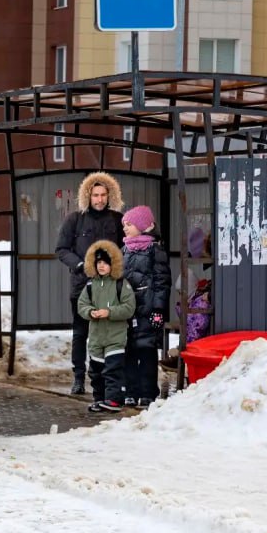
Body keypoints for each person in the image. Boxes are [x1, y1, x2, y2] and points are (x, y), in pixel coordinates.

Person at [55, 171, 124, 395]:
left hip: (110, 287)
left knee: (109, 333)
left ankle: (107, 379)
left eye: (103, 195)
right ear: (88, 195)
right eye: (95, 195)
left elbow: (126, 247)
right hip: (82, 287)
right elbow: (61, 249)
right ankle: (78, 377)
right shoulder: (75, 219)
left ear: (110, 195)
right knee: (80, 333)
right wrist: (79, 265)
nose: (99, 199)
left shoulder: (117, 220)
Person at [120, 205, 172, 408]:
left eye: (129, 224)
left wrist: (158, 309)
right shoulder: (124, 250)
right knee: (129, 350)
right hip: (128, 310)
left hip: (148, 310)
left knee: (147, 350)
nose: (125, 228)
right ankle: (130, 391)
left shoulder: (154, 250)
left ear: (142, 226)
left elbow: (162, 281)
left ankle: (148, 392)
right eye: (124, 225)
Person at [76, 240, 134, 413]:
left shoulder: (121, 284)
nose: (101, 266)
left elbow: (129, 307)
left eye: (105, 263)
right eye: (99, 262)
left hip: (115, 337)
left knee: (113, 370)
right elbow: (81, 305)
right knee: (96, 371)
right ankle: (99, 399)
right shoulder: (90, 285)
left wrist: (109, 312)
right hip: (96, 337)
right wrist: (90, 312)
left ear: (113, 264)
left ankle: (114, 399)